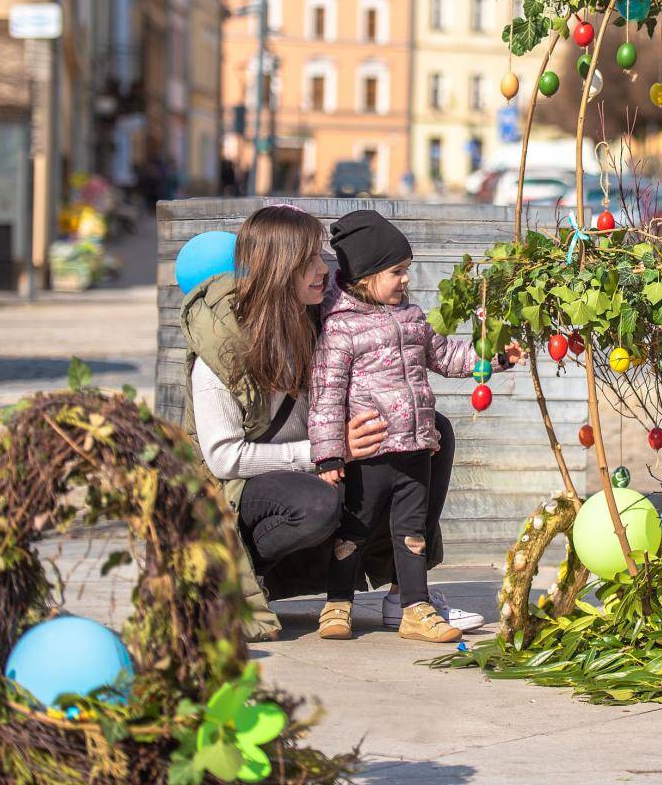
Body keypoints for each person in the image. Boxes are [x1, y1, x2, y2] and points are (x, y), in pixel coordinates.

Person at [181, 204, 481, 640]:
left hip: (323, 455)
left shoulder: (321, 316)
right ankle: (248, 579)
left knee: (431, 429)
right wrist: (323, 450)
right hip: (244, 487)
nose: (324, 268)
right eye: (309, 261)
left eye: (322, 256)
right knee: (317, 505)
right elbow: (224, 459)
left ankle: (407, 595)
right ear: (278, 269)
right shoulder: (222, 352)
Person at [309, 210, 523, 642]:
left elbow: (446, 357)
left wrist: (494, 359)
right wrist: (329, 453)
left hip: (415, 449)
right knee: (354, 529)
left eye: (406, 271)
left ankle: (415, 607)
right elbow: (326, 393)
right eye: (397, 272)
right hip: (369, 455)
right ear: (367, 275)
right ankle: (337, 604)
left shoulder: (412, 317)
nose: (406, 280)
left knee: (413, 533)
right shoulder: (340, 329)